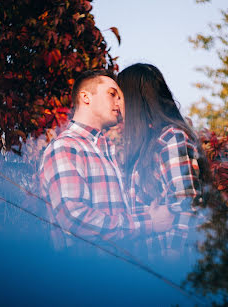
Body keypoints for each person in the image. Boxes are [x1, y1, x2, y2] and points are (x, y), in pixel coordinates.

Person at [39, 70, 173, 247]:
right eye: (112, 94)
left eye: (120, 96)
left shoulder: (108, 152)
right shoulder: (66, 147)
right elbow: (75, 218)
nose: (120, 102)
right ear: (86, 97)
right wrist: (149, 223)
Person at [117, 63, 210, 257]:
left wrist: (172, 261)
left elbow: (186, 207)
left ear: (134, 98)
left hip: (168, 267)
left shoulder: (171, 138)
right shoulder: (145, 146)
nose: (117, 104)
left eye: (119, 96)